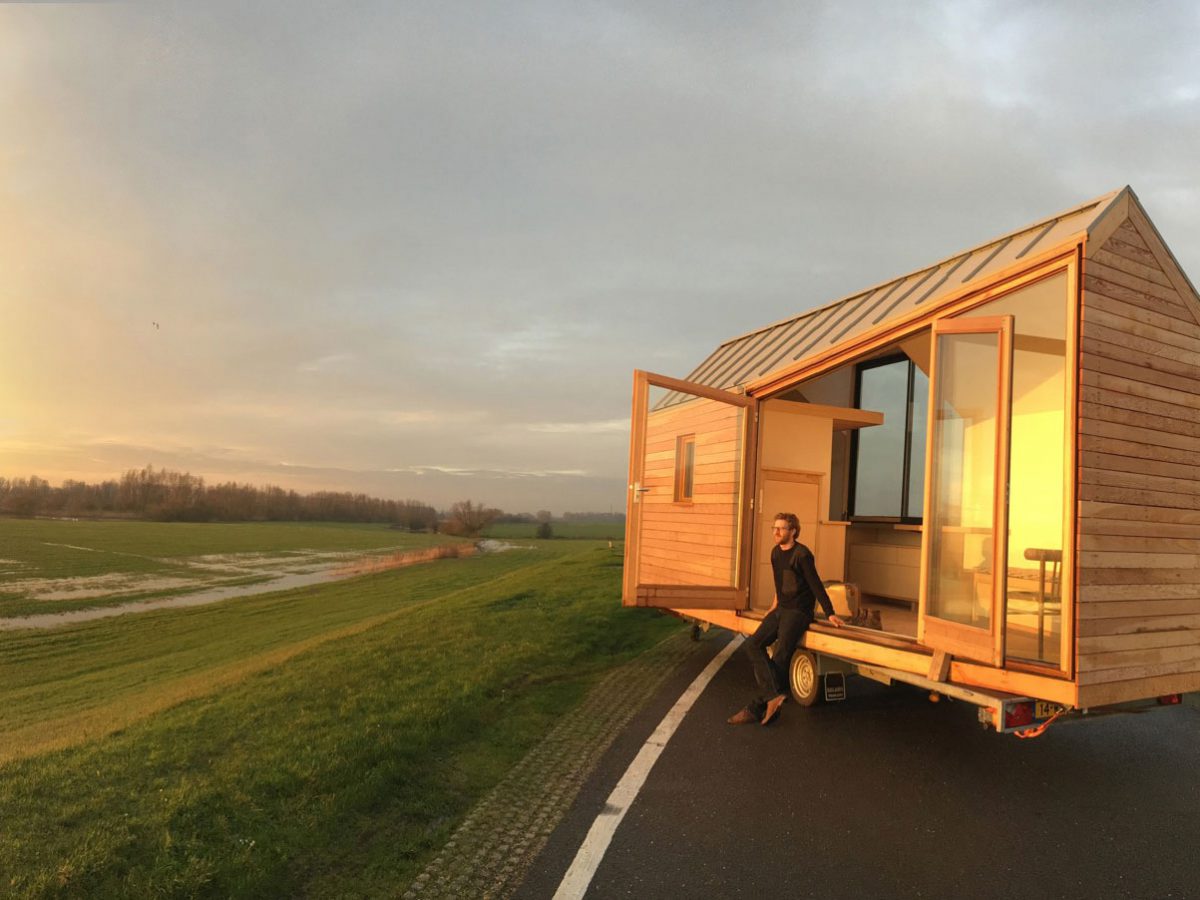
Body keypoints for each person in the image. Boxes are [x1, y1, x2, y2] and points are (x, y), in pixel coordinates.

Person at [728, 512, 844, 726]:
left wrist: (830, 613)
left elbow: (816, 585)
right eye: (774, 528)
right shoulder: (774, 553)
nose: (776, 531)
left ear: (793, 531)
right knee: (752, 645)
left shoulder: (802, 555)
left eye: (781, 528)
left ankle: (756, 708)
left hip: (799, 612)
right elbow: (780, 584)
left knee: (780, 657)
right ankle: (773, 698)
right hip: (781, 608)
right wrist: (772, 608)